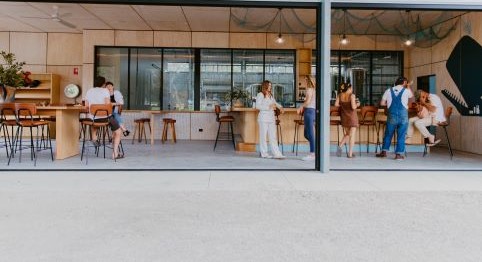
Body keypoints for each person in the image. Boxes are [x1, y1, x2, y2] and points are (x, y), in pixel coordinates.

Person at [84, 76, 123, 159]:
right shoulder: (105, 91)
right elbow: (107, 105)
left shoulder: (89, 91)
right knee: (118, 132)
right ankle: (115, 153)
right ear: (103, 83)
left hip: (93, 119)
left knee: (94, 122)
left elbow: (86, 106)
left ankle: (94, 139)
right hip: (105, 118)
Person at [376, 76, 414, 160]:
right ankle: (398, 155)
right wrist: (408, 86)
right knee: (401, 135)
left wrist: (389, 104)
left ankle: (384, 152)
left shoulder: (388, 90)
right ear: (404, 83)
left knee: (388, 134)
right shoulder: (406, 91)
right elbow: (412, 99)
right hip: (403, 116)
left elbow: (382, 103)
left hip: (392, 115)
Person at [255, 80, 285, 159]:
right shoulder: (260, 94)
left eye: (271, 86)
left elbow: (274, 103)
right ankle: (264, 153)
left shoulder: (271, 95)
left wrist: (280, 107)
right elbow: (257, 106)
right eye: (269, 85)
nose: (270, 87)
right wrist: (268, 107)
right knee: (263, 137)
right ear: (265, 86)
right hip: (263, 118)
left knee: (273, 136)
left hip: (271, 118)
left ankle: (277, 153)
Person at [335, 82, 360, 158]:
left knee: (348, 134)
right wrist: (358, 104)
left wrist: (343, 105)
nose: (352, 90)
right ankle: (350, 154)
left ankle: (340, 146)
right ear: (349, 88)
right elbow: (353, 107)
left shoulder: (340, 95)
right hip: (352, 117)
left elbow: (336, 104)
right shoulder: (352, 96)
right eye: (351, 88)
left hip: (344, 117)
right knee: (352, 136)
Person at [296, 75, 316, 161]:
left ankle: (312, 153)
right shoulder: (315, 90)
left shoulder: (309, 90)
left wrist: (301, 106)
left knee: (310, 133)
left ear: (308, 81)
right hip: (313, 111)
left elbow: (307, 102)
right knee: (306, 134)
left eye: (305, 80)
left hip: (309, 111)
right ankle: (315, 147)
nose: (304, 82)